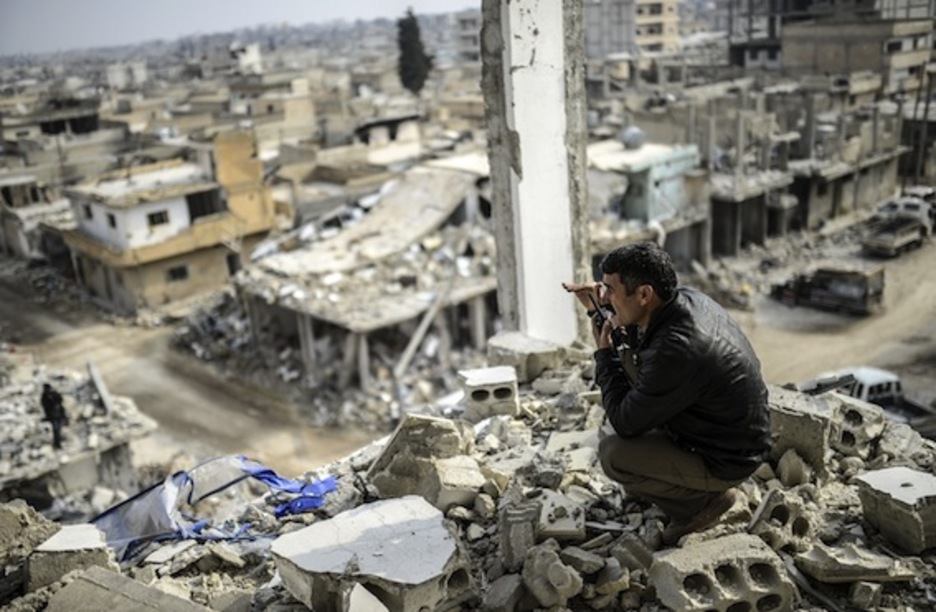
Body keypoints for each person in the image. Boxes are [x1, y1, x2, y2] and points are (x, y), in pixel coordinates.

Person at [563, 242, 770, 546]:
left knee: (613, 454)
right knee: (629, 402)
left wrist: (604, 356)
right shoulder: (683, 300)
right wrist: (602, 311)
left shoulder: (676, 349)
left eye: (609, 289)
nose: (603, 295)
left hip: (727, 458)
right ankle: (678, 481)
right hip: (723, 429)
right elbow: (636, 350)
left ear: (644, 294)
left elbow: (623, 421)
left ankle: (702, 506)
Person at [40, 383, 67, 450]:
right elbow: (45, 406)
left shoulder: (51, 394)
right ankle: (57, 443)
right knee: (56, 429)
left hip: (57, 414)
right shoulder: (45, 396)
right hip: (54, 415)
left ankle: (58, 442)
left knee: (57, 429)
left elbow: (60, 400)